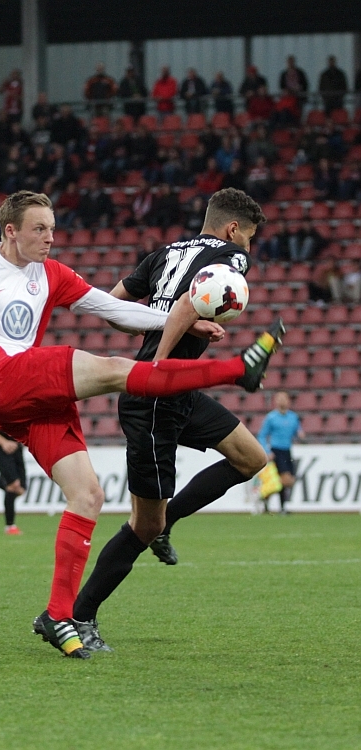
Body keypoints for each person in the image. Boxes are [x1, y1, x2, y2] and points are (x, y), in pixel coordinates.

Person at [0, 189, 282, 660]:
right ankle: (237, 370)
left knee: (88, 495)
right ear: (11, 231)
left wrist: (179, 321)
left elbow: (113, 308)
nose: (50, 237)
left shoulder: (52, 273)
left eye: (52, 228)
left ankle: (59, 615)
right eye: (39, 229)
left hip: (30, 398)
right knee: (114, 370)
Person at [70, 188, 286, 652]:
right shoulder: (231, 256)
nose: (248, 247)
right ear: (233, 228)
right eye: (249, 237)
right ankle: (78, 616)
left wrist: (169, 325)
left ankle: (168, 523)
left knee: (251, 458)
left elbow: (112, 306)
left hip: (178, 390)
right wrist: (162, 359)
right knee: (142, 524)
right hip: (153, 397)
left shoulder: (164, 253)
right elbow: (191, 300)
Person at [257, 392, 305, 514]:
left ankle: (265, 498)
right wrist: (267, 451)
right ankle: (282, 507)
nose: (282, 401)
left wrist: (300, 435)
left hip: (287, 451)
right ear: (276, 401)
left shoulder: (293, 417)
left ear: (288, 401)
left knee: (287, 481)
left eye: (284, 399)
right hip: (276, 451)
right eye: (280, 399)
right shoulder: (271, 417)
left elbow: (297, 431)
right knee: (285, 479)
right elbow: (262, 435)